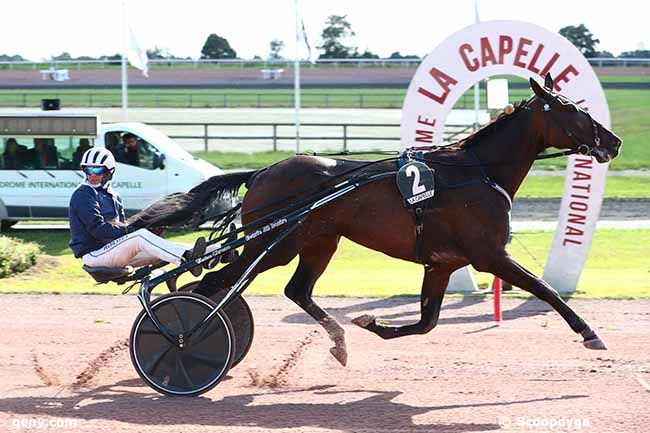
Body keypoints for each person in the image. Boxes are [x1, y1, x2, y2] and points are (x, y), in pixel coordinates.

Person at [68, 147, 206, 276]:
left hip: (113, 251)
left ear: (109, 172)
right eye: (87, 170)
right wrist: (132, 230)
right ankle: (185, 258)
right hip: (95, 255)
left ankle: (210, 254)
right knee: (140, 237)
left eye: (97, 171)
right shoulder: (83, 194)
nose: (91, 175)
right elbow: (98, 230)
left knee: (159, 246)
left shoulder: (114, 196)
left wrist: (145, 228)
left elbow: (121, 228)